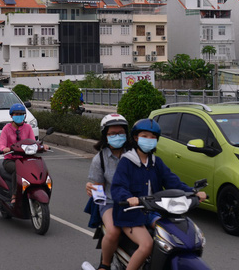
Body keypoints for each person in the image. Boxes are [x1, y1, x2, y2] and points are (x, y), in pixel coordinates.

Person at [111, 119, 207, 270]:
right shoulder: (127, 162)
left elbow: (173, 182)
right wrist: (128, 198)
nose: (149, 140)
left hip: (153, 211)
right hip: (131, 214)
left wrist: (193, 193)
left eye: (152, 137)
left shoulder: (156, 162)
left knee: (176, 236)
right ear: (136, 138)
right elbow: (118, 187)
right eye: (145, 136)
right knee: (147, 245)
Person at [85, 114, 130, 270]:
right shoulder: (100, 159)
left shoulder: (135, 155)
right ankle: (104, 265)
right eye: (112, 133)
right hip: (110, 202)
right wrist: (91, 188)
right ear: (105, 136)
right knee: (112, 232)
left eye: (120, 133)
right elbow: (98, 190)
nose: (117, 136)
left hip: (135, 201)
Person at [0, 103, 48, 204]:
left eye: (21, 114)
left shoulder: (28, 128)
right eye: (16, 114)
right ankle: (14, 195)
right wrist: (5, 148)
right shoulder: (6, 129)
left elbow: (33, 142)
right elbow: (1, 145)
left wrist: (42, 147)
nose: (19, 116)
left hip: (26, 159)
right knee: (17, 169)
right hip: (10, 159)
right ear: (12, 116)